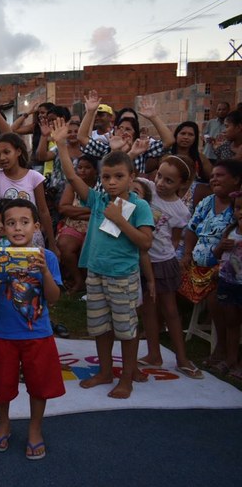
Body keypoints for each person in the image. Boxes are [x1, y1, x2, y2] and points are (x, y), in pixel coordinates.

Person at [52, 118, 154, 399]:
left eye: (118, 177)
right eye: (107, 177)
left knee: (126, 330)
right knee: (100, 326)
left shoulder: (140, 205)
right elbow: (73, 177)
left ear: (131, 177)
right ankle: (106, 371)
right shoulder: (97, 201)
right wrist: (61, 145)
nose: (111, 182)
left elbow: (145, 242)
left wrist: (121, 221)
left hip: (122, 276)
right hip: (96, 273)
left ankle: (128, 377)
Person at [0, 199, 64, 460]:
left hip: (38, 334)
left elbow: (53, 298)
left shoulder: (47, 257)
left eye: (24, 222)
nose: (18, 228)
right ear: (3, 228)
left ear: (36, 227)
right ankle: (4, 423)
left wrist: (45, 273)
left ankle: (35, 428)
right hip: (5, 333)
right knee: (2, 386)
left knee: (40, 386)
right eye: (11, 223)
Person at [134, 156, 203, 378]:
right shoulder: (149, 188)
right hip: (140, 261)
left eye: (169, 181)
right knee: (147, 310)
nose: (161, 182)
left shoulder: (181, 211)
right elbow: (129, 178)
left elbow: (175, 240)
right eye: (160, 176)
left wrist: (169, 255)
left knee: (170, 311)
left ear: (182, 184)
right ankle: (154, 354)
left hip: (162, 263)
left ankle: (182, 358)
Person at [182, 160, 242, 372]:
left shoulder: (238, 208)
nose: (214, 179)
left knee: (217, 298)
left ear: (236, 180)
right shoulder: (207, 202)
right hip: (199, 266)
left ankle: (222, 348)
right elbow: (191, 229)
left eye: (221, 175)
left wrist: (217, 264)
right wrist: (188, 254)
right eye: (213, 175)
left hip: (227, 269)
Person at [0, 132, 58, 253]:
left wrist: (52, 244)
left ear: (18, 152)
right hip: (8, 236)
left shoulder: (34, 177)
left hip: (32, 235)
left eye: (7, 152)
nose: (2, 158)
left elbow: (43, 211)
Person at [56, 155, 98, 293]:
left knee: (89, 247)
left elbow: (100, 214)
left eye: (87, 167)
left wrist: (77, 212)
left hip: (95, 225)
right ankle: (79, 280)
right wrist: (91, 210)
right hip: (74, 225)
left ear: (96, 170)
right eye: (80, 167)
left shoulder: (101, 186)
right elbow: (64, 208)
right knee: (65, 246)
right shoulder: (72, 186)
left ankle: (91, 282)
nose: (83, 171)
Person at [214, 190, 242, 379]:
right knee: (231, 321)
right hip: (228, 281)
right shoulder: (230, 230)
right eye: (238, 208)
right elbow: (217, 254)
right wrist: (221, 247)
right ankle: (231, 358)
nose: (241, 212)